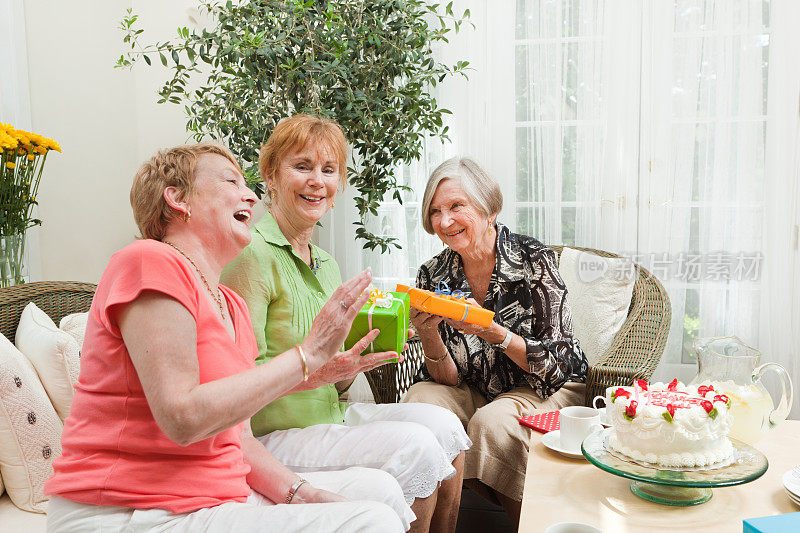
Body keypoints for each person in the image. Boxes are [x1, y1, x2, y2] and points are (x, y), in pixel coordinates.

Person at [44, 142, 415, 532]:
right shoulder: (147, 260)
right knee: (371, 521)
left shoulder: (231, 305)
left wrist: (302, 494)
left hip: (214, 498)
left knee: (379, 491)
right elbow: (182, 416)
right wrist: (308, 354)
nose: (251, 195)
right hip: (126, 511)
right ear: (178, 199)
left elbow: (240, 440)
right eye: (231, 181)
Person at [221, 114, 471, 533]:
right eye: (302, 166)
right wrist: (322, 371)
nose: (317, 180)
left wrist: (359, 359)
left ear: (339, 186)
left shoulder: (327, 265)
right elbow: (235, 387)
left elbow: (334, 381)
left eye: (329, 169)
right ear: (270, 175)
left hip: (331, 414)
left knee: (445, 424)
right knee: (419, 448)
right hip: (274, 433)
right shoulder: (252, 256)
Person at [402, 157, 589, 526]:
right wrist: (427, 334)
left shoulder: (533, 259)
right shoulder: (433, 272)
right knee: (420, 404)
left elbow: (556, 366)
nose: (444, 221)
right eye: (436, 211)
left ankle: (538, 524)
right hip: (475, 387)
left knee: (494, 423)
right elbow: (448, 380)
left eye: (457, 206)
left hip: (541, 386)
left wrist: (493, 332)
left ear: (491, 209)